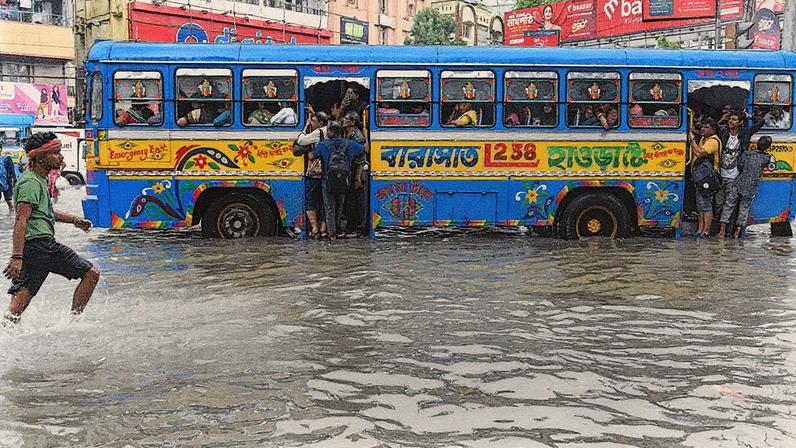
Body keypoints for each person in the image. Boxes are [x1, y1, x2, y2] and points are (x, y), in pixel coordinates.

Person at [3, 132, 100, 325]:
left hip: (33, 249)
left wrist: (74, 220)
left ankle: (6, 330)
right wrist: (16, 257)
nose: (61, 157)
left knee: (20, 302)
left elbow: (46, 212)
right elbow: (21, 220)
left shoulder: (38, 179)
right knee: (91, 274)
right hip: (41, 246)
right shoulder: (31, 183)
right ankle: (73, 323)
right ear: (40, 157)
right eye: (56, 152)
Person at [309, 121, 365, 240]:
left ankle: (332, 234)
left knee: (329, 208)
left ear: (332, 132)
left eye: (328, 130)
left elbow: (312, 156)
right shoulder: (350, 144)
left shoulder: (324, 144)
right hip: (344, 180)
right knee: (340, 206)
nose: (326, 131)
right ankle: (338, 229)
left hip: (327, 181)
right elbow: (363, 149)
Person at [717, 136, 776, 239]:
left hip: (739, 183)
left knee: (728, 206)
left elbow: (740, 166)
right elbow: (770, 166)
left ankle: (722, 231)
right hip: (751, 187)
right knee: (744, 209)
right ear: (768, 147)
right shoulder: (766, 158)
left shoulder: (747, 154)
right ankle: (737, 233)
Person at [715, 110, 764, 229]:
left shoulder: (745, 132)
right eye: (730, 119)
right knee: (718, 203)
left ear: (741, 122)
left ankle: (728, 230)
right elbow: (713, 127)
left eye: (734, 120)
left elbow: (761, 122)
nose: (730, 122)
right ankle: (718, 227)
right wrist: (722, 118)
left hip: (735, 174)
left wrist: (749, 116)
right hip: (720, 173)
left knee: (730, 203)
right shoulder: (723, 131)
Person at [293, 110, 329, 239]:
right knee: (325, 201)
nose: (311, 123)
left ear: (320, 123)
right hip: (327, 173)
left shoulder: (318, 132)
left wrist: (305, 128)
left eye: (313, 121)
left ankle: (314, 228)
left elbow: (301, 141)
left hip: (315, 173)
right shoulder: (331, 131)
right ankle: (324, 229)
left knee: (311, 200)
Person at [688, 119, 721, 238]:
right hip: (700, 177)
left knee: (705, 205)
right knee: (700, 205)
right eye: (702, 127)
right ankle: (700, 229)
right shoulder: (704, 138)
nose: (703, 129)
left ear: (713, 129)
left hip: (708, 178)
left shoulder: (713, 141)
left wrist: (691, 140)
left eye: (706, 127)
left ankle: (706, 231)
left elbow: (700, 153)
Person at [342, 111, 368, 237]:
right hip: (350, 171)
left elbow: (360, 159)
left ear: (352, 122)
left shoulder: (358, 136)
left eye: (346, 118)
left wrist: (357, 178)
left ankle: (357, 229)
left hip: (357, 172)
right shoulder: (347, 133)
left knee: (357, 202)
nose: (343, 120)